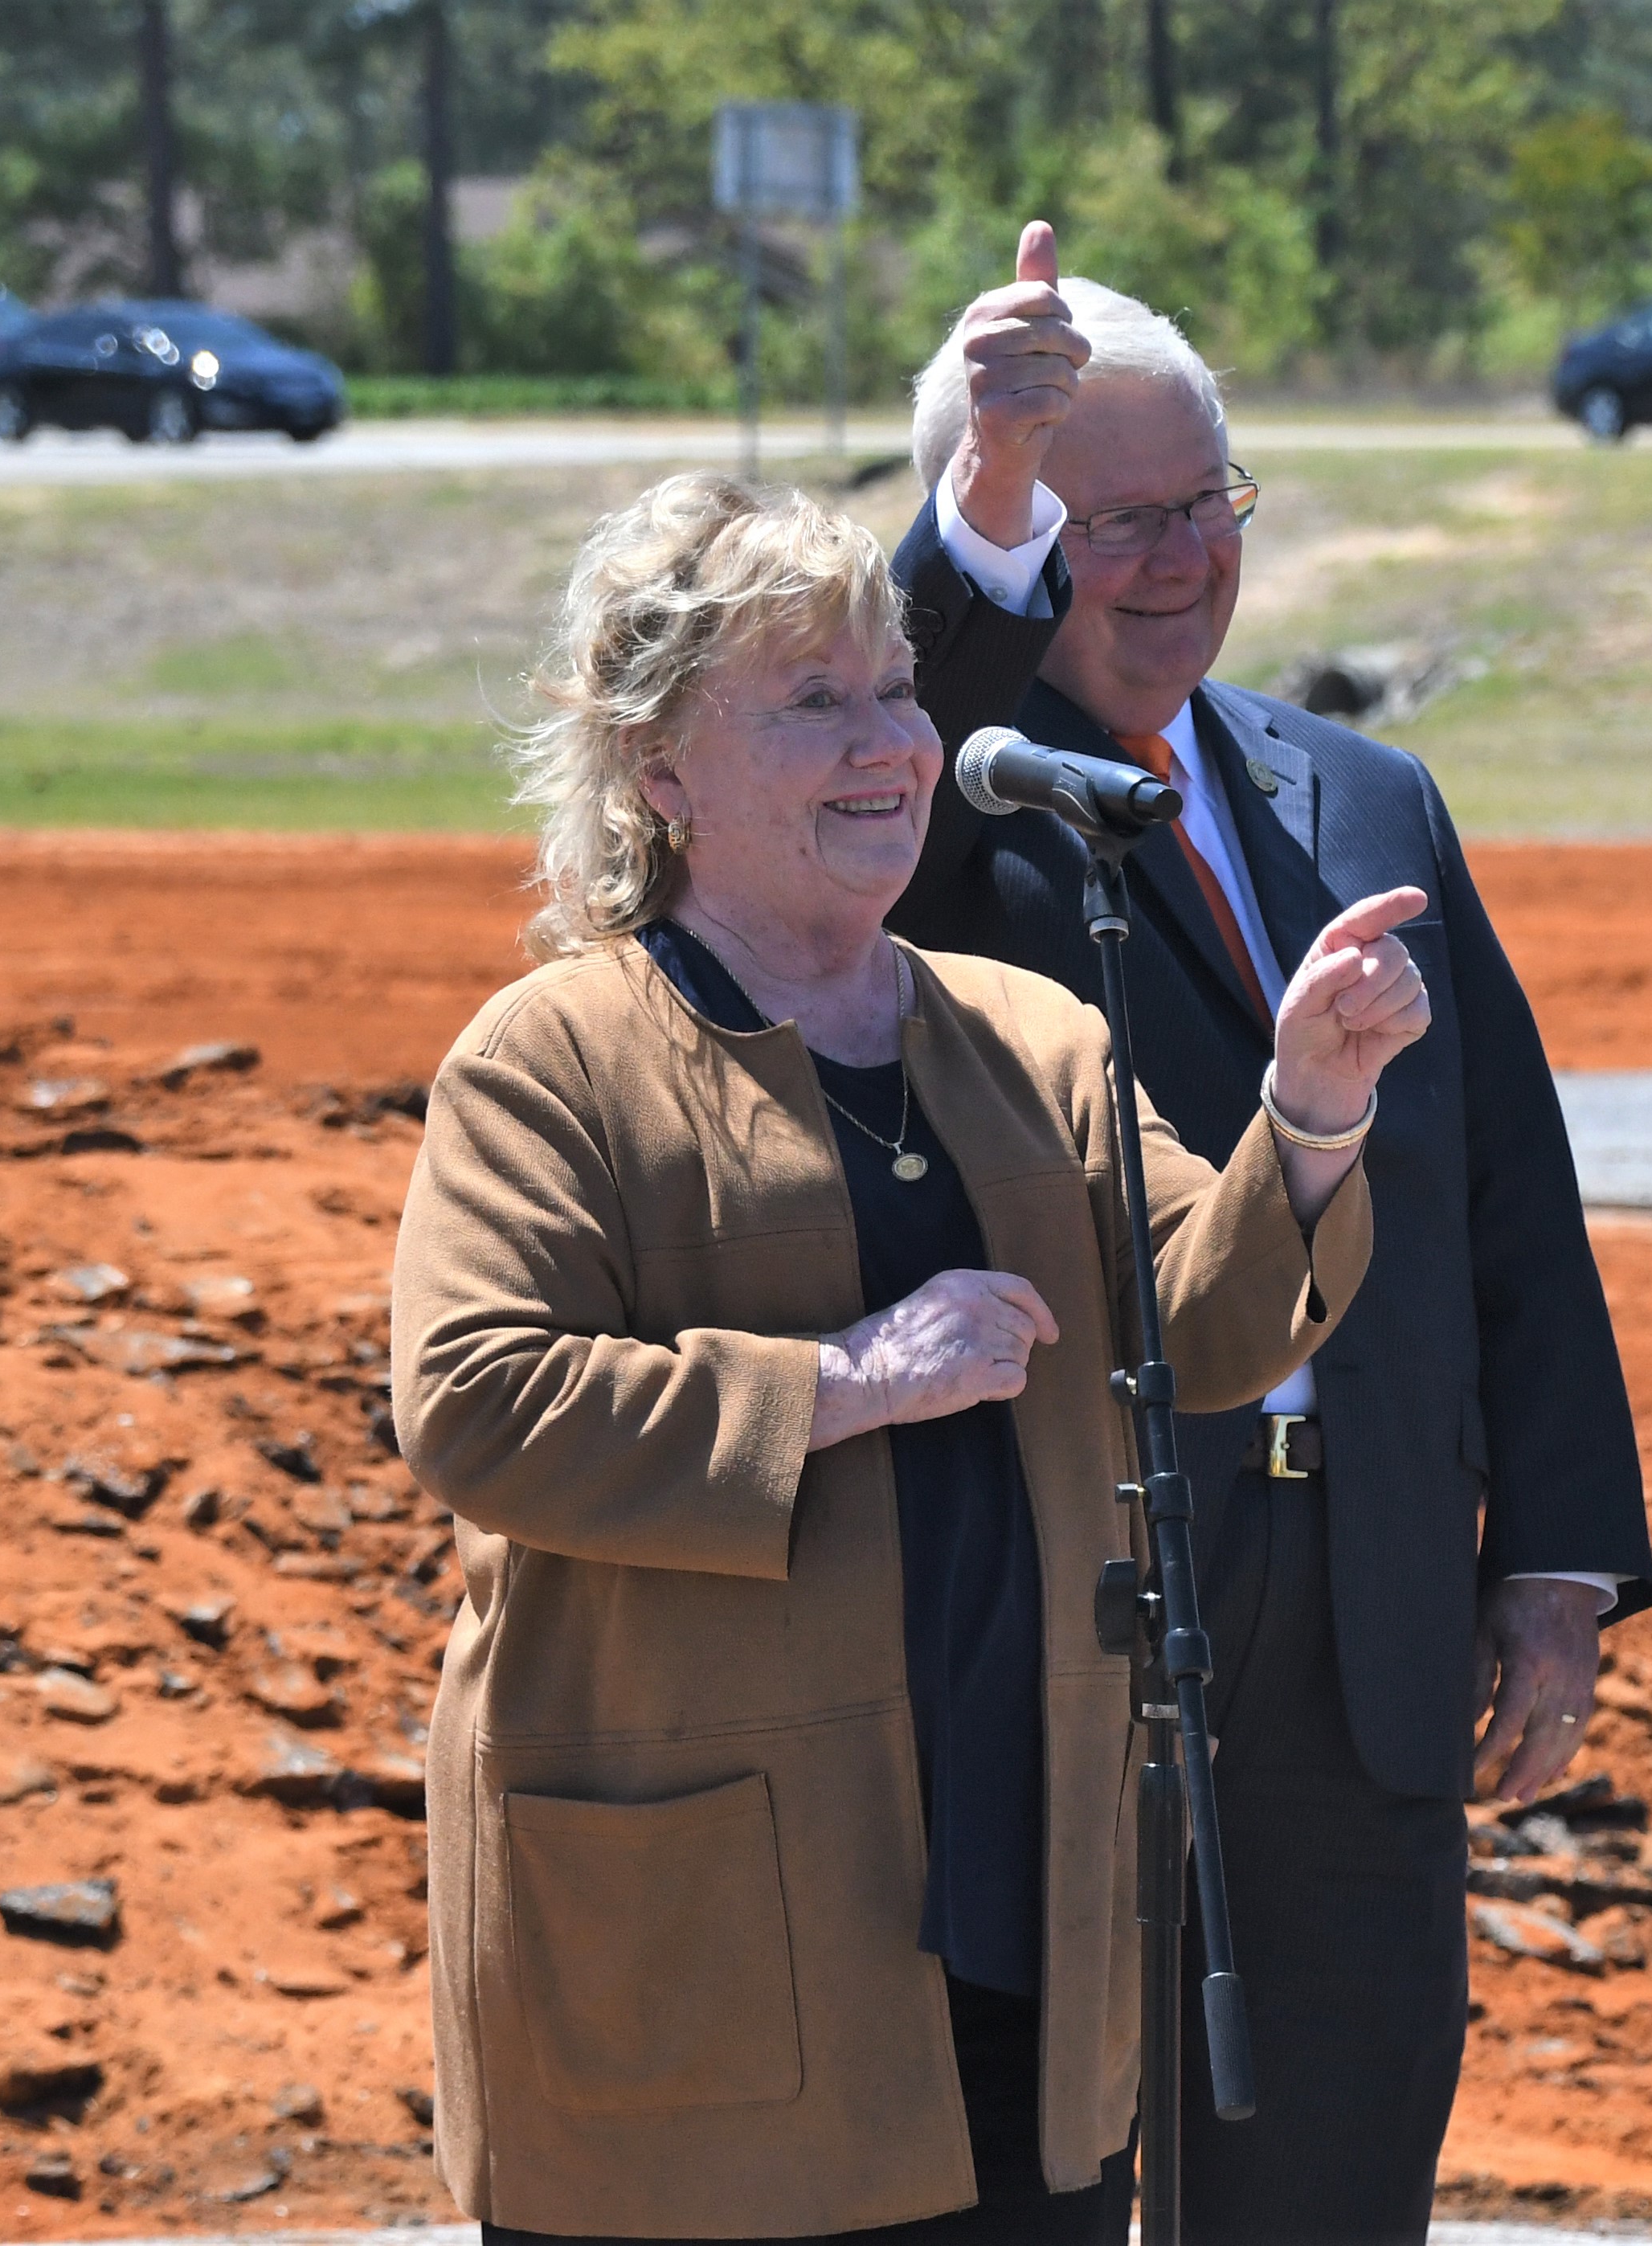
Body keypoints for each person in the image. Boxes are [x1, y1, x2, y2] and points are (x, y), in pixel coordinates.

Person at [390, 460, 1443, 2243]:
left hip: (1015, 1932)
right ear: (661, 774)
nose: (890, 739)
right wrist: (844, 1382)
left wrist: (1312, 1117)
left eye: (893, 690)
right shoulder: (552, 1058)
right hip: (700, 1952)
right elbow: (479, 1405)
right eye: (813, 702)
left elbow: (1203, 1317)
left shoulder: (1026, 1032)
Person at [891, 278, 1652, 2242]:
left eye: (1207, 502)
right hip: (1079, 1601)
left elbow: (1504, 1190)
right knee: (1036, 2175)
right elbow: (942, 671)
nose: (1181, 562)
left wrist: (1554, 1561)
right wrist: (986, 482)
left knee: (1328, 2160)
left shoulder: (1366, 794)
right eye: (1112, 522)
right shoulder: (936, 806)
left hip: (1360, 1608)